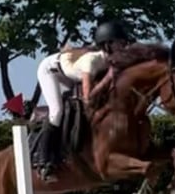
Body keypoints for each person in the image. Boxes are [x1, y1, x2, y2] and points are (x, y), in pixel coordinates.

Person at [35, 20, 131, 182]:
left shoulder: (110, 62)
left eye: (123, 42)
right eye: (119, 43)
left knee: (74, 110)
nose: (123, 46)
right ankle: (43, 161)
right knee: (57, 112)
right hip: (51, 71)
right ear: (107, 44)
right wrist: (107, 79)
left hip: (69, 74)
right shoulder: (91, 61)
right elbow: (88, 96)